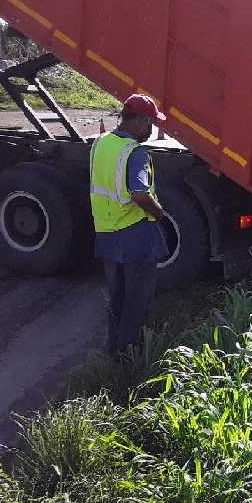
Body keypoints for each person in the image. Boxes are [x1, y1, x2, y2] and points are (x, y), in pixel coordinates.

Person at [89, 94, 168, 354]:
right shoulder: (135, 152)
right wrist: (160, 215)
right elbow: (140, 193)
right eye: (151, 124)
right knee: (137, 301)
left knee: (118, 299)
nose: (151, 130)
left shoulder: (101, 143)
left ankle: (114, 351)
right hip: (135, 235)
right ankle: (131, 359)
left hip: (107, 234)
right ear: (142, 121)